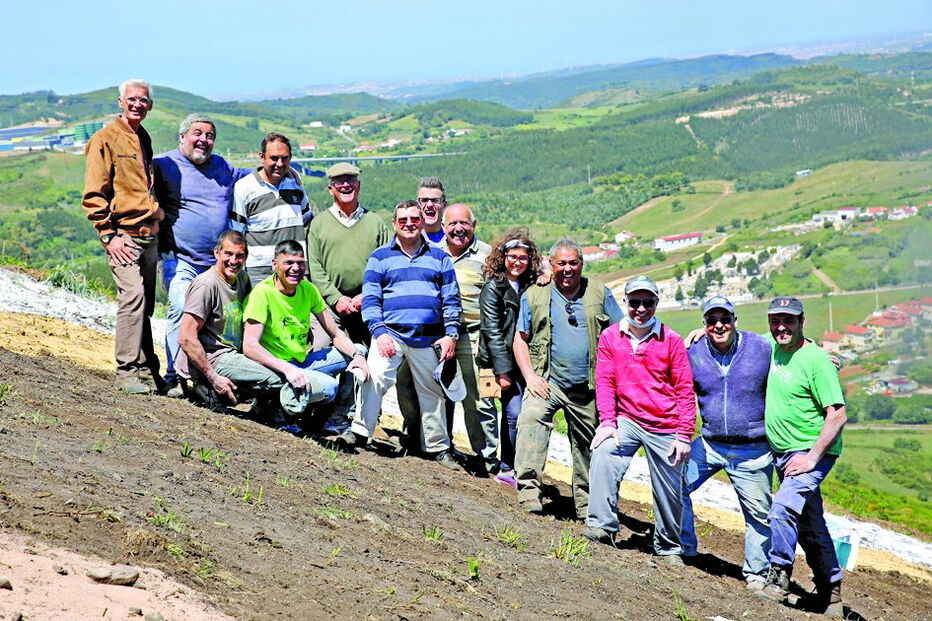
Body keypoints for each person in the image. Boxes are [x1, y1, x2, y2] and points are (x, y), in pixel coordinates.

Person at [583, 276, 695, 564]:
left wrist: (684, 435)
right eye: (635, 302)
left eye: (648, 302)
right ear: (626, 303)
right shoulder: (610, 337)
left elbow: (684, 389)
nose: (641, 309)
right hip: (628, 419)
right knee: (604, 453)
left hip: (665, 424)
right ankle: (602, 526)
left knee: (670, 486)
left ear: (656, 303)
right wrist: (608, 422)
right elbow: (605, 381)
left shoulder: (670, 340)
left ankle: (669, 546)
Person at [347, 200, 463, 470]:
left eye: (414, 219)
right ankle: (360, 433)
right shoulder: (380, 257)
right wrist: (379, 332)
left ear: (422, 222)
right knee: (373, 379)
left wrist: (451, 335)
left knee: (432, 393)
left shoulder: (439, 257)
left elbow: (451, 300)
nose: (409, 224)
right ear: (394, 224)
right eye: (403, 220)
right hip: (390, 335)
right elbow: (372, 300)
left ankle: (438, 448)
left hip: (429, 338)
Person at [512, 239, 623, 518]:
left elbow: (622, 333)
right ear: (551, 265)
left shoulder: (599, 293)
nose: (567, 268)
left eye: (573, 262)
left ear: (582, 264)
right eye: (561, 263)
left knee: (589, 445)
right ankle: (527, 492)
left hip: (588, 387)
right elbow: (520, 339)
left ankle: (586, 505)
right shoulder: (535, 295)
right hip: (547, 381)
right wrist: (529, 376)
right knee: (531, 421)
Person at [757, 297, 847, 618]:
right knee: (811, 523)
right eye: (775, 320)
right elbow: (738, 341)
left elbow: (837, 415)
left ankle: (778, 574)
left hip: (809, 453)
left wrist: (811, 458)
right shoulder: (771, 345)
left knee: (782, 508)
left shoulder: (816, 360)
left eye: (789, 321)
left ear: (802, 321)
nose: (781, 327)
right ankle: (831, 594)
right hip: (784, 452)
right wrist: (698, 333)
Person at [154, 114, 252, 396]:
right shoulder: (165, 165)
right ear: (182, 136)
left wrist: (283, 170)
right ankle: (175, 376)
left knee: (225, 317)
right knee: (180, 307)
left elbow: (249, 176)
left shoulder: (221, 165)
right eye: (198, 133)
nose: (204, 140)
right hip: (181, 259)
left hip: (219, 264)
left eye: (209, 136)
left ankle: (217, 374)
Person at [397, 203, 499, 472]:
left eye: (464, 223)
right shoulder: (430, 252)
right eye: (452, 224)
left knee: (479, 399)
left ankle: (487, 458)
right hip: (434, 335)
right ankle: (434, 445)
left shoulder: (488, 256)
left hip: (475, 337)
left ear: (473, 225)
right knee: (427, 390)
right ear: (443, 227)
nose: (458, 229)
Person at [681, 296, 774, 588]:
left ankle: (757, 574)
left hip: (753, 449)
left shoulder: (760, 347)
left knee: (759, 515)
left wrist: (823, 357)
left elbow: (793, 347)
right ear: (704, 324)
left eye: (725, 319)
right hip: (709, 444)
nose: (718, 325)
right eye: (711, 321)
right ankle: (684, 548)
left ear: (736, 320)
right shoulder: (693, 351)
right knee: (673, 483)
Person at [82, 78, 163, 394]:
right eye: (132, 99)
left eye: (143, 100)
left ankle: (148, 370)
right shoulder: (105, 139)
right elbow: (93, 193)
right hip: (123, 236)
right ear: (120, 102)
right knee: (132, 299)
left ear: (150, 105)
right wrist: (108, 235)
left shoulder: (143, 137)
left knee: (146, 306)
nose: (137, 104)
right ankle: (126, 372)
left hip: (149, 236)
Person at [242, 240, 369, 429]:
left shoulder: (307, 289)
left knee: (358, 350)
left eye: (301, 263)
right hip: (275, 366)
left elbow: (335, 333)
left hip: (300, 362)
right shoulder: (262, 293)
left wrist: (357, 357)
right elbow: (250, 346)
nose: (296, 268)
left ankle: (334, 416)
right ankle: (281, 411)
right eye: (289, 263)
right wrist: (287, 369)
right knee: (328, 387)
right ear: (274, 264)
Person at [177, 230, 283, 407]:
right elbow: (186, 337)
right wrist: (213, 376)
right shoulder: (206, 285)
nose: (233, 261)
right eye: (228, 254)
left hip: (234, 353)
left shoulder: (242, 278)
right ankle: (206, 386)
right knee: (278, 378)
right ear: (216, 253)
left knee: (282, 364)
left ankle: (241, 397)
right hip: (213, 357)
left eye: (239, 256)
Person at [477, 229, 545, 487]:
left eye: (523, 258)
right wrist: (502, 370)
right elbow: (492, 330)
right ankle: (508, 466)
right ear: (503, 256)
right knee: (513, 413)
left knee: (525, 414)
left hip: (527, 359)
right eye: (513, 256)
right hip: (503, 359)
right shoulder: (494, 287)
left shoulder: (532, 285)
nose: (517, 262)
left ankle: (521, 466)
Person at [306, 162, 391, 347]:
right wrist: (336, 299)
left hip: (370, 302)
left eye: (350, 180)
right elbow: (315, 267)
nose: (346, 185)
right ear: (330, 189)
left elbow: (388, 265)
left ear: (358, 186)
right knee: (321, 350)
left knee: (381, 353)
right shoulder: (318, 224)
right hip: (329, 306)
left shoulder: (375, 222)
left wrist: (367, 295)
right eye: (339, 182)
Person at [231, 133, 311, 285]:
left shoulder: (295, 185)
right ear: (262, 157)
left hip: (295, 274)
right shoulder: (244, 188)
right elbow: (237, 235)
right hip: (259, 276)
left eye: (285, 158)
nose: (280, 164)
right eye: (274, 158)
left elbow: (308, 224)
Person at [417, 176, 447, 244]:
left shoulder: (454, 239)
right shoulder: (408, 240)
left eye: (435, 200)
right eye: (424, 200)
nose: (429, 205)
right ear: (418, 205)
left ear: (444, 204)